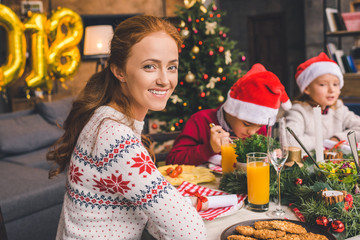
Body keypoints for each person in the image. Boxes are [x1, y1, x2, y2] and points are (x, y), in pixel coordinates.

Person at [47, 15, 207, 240]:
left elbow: (144, 209)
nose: (165, 80)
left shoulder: (107, 119)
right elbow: (191, 232)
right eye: (150, 66)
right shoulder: (114, 137)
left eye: (172, 67)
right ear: (119, 71)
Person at [166, 63, 291, 166]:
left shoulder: (260, 129)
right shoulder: (200, 121)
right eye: (247, 124)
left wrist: (272, 155)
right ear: (232, 110)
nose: (252, 132)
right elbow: (172, 161)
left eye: (258, 126)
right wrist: (209, 148)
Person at [285, 52, 360, 152]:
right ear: (307, 88)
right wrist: (326, 143)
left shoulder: (338, 108)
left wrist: (337, 139)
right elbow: (290, 142)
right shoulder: (298, 111)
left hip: (335, 164)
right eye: (323, 84)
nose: (331, 90)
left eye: (335, 84)